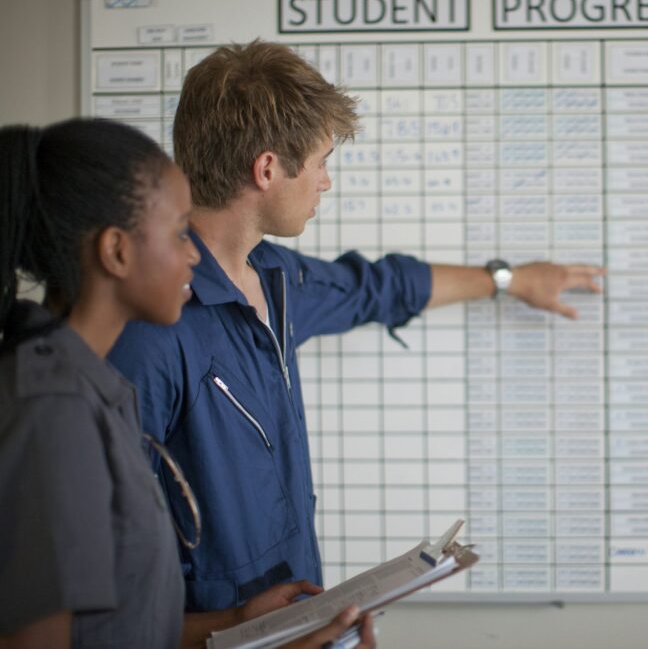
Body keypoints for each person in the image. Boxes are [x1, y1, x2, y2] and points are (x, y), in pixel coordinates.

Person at [107, 40, 605, 612]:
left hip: (298, 623)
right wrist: (231, 628)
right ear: (267, 169)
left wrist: (508, 280)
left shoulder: (275, 277)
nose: (325, 182)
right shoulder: (150, 329)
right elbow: (102, 568)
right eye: (321, 162)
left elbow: (375, 288)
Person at [0, 118, 373, 648]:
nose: (195, 254)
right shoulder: (52, 413)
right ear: (117, 251)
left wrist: (242, 624)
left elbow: (120, 630)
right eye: (179, 233)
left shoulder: (91, 391)